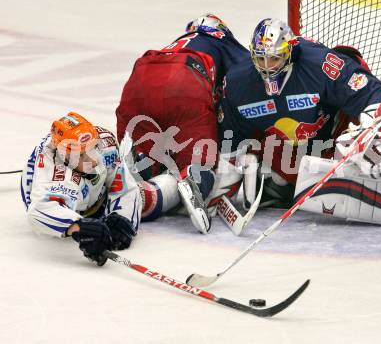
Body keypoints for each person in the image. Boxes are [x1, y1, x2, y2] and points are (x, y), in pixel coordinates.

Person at [218, 18, 381, 216]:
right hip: (290, 145)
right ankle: (277, 180)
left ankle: (353, 163)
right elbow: (231, 132)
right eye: (260, 59)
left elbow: (372, 94)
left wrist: (369, 132)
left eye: (274, 59)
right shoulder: (238, 81)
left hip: (328, 135)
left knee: (356, 68)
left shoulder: (323, 65)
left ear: (290, 52)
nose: (266, 68)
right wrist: (227, 173)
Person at [116, 14, 249, 234]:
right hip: (185, 79)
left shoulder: (177, 42)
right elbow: (250, 71)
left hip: (140, 77)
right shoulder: (222, 40)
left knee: (153, 157)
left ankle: (137, 163)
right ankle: (193, 182)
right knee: (199, 162)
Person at [20, 112, 143, 266]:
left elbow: (125, 186)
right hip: (71, 203)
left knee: (148, 196)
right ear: (64, 156)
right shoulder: (55, 176)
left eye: (93, 148)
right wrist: (79, 226)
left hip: (97, 195)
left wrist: (122, 218)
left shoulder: (105, 142)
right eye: (81, 155)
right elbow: (38, 210)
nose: (92, 159)